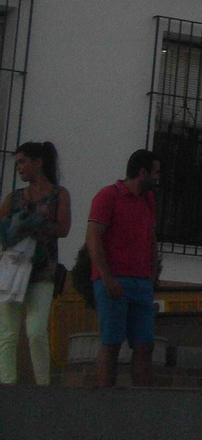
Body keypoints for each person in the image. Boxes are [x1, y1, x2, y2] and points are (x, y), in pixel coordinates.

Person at [85, 149, 159, 388]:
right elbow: (94, 238)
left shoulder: (148, 200)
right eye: (156, 172)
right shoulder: (108, 196)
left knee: (145, 345)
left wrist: (152, 274)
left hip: (140, 283)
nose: (158, 178)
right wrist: (106, 278)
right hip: (115, 280)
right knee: (111, 343)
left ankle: (141, 402)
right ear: (142, 172)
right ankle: (106, 400)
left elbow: (151, 237)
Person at [0, 141, 71, 385]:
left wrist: (33, 223)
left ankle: (43, 386)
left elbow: (63, 228)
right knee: (8, 333)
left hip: (43, 271)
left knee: (36, 332)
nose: (19, 168)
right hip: (13, 269)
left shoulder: (59, 194)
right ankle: (6, 384)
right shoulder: (14, 198)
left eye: (22, 162)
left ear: (38, 162)